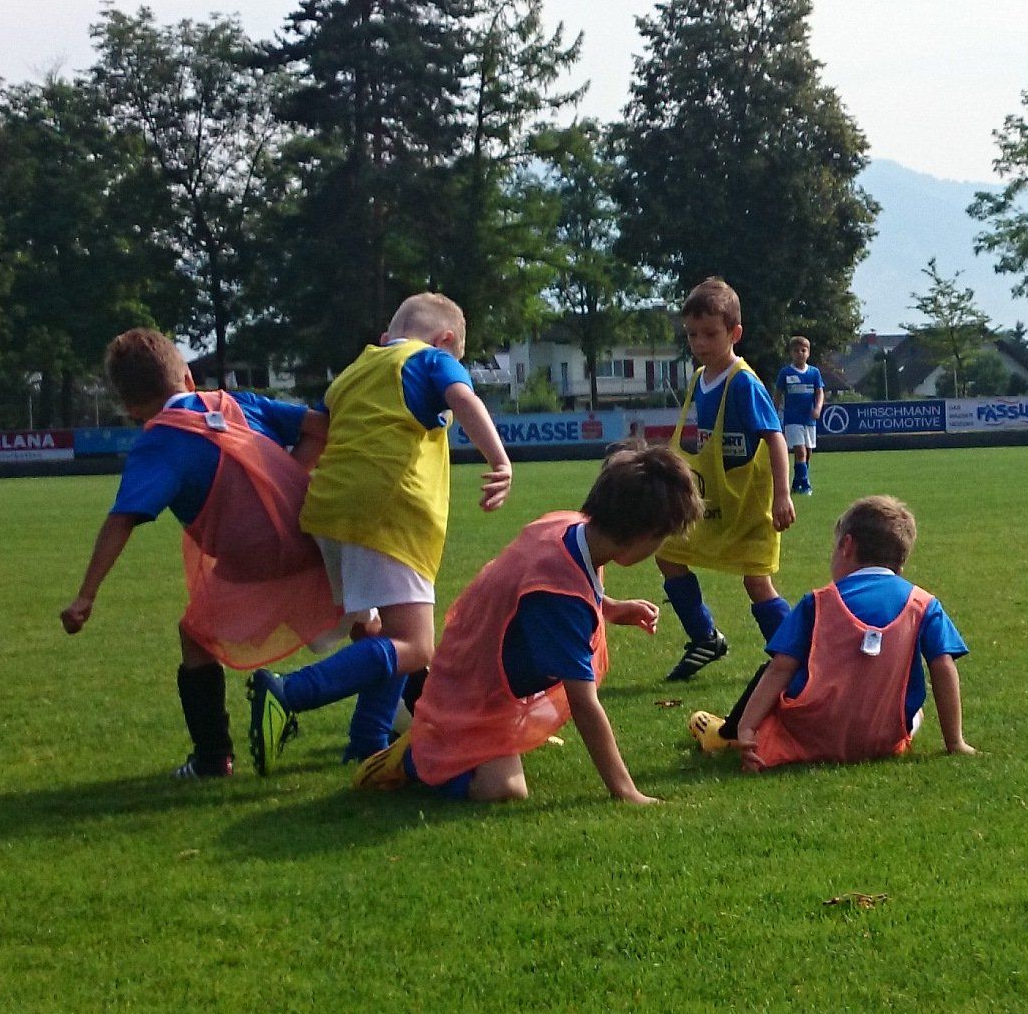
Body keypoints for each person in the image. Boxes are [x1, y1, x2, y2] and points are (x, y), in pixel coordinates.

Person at [59, 329, 345, 779]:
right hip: (314, 538)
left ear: (131, 408)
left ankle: (214, 758)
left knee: (195, 636)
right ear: (188, 378)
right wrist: (286, 482)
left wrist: (86, 595)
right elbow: (321, 428)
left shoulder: (159, 442)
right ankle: (418, 708)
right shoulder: (237, 403)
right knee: (374, 625)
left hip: (250, 560)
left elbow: (122, 519)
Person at [246, 293, 516, 769]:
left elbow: (315, 438)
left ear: (386, 337)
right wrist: (500, 460)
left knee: (388, 634)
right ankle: (289, 692)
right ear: (445, 340)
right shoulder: (431, 359)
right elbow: (463, 398)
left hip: (328, 511)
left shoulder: (351, 373)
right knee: (415, 646)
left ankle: (368, 741)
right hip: (389, 510)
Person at [361, 443, 697, 805]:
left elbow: (542, 587)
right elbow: (584, 703)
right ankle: (411, 757)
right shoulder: (559, 593)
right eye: (661, 538)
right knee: (504, 789)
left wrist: (610, 608)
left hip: (474, 667)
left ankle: (444, 736)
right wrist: (626, 791)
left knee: (507, 768)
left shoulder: (570, 526)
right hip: (473, 695)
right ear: (644, 536)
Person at [689, 494, 973, 767]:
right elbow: (943, 666)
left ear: (846, 545)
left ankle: (724, 734)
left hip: (811, 734)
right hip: (883, 735)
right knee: (915, 711)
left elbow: (779, 669)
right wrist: (955, 741)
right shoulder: (923, 604)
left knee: (773, 689)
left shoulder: (818, 602)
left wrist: (747, 727)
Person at [651, 278, 798, 681]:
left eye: (710, 334)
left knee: (757, 582)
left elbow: (775, 438)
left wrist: (782, 495)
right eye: (692, 334)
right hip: (713, 503)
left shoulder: (743, 382)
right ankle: (705, 637)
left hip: (749, 505)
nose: (700, 342)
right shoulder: (700, 379)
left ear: (735, 333)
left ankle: (794, 659)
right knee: (667, 553)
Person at [775, 335, 831, 496]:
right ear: (791, 353)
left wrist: (818, 408)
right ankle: (805, 485)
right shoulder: (786, 372)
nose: (800, 353)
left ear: (808, 353)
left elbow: (819, 392)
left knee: (808, 452)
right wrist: (774, 413)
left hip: (809, 419)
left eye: (803, 350)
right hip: (793, 419)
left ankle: (797, 482)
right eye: (796, 350)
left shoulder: (814, 373)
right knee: (800, 451)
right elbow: (778, 394)